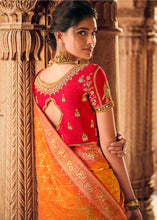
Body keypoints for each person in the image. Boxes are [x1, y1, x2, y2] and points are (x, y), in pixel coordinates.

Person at [32, 1, 143, 219]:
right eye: (82, 32)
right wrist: (131, 202)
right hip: (97, 188)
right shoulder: (91, 74)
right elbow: (111, 147)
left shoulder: (38, 81)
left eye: (93, 32)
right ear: (59, 35)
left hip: (55, 195)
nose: (91, 41)